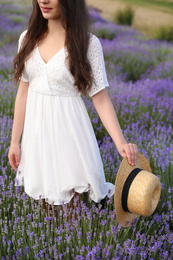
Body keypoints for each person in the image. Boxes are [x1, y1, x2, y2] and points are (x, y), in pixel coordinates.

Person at [8, 0, 138, 222]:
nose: (44, 0)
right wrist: (14, 141)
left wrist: (121, 142)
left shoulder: (87, 43)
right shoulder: (27, 38)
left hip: (70, 137)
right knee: (47, 217)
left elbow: (101, 98)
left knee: (72, 217)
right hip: (37, 139)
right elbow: (23, 93)